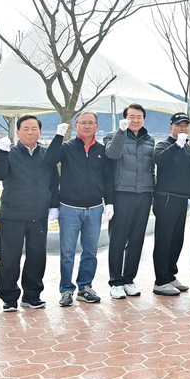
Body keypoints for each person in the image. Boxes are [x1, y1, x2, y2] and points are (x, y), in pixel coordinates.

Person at [0, 115, 62, 312]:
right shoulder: (9, 153)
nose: (30, 132)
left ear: (40, 131)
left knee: (37, 256)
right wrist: (0, 152)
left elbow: (54, 182)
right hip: (12, 214)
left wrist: (53, 206)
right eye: (26, 128)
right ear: (18, 132)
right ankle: (9, 297)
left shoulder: (47, 155)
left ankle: (32, 295)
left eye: (34, 128)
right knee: (9, 258)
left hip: (38, 216)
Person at [55, 111, 114, 307]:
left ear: (97, 126)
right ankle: (66, 290)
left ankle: (85, 286)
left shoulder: (102, 150)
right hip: (69, 208)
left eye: (91, 123)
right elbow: (50, 160)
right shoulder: (66, 147)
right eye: (82, 122)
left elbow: (107, 177)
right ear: (76, 125)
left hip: (95, 208)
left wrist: (109, 202)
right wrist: (58, 136)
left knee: (90, 252)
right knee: (68, 253)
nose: (87, 126)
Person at [104, 103, 155, 299]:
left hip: (144, 194)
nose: (135, 120)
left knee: (136, 239)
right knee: (118, 239)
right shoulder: (113, 136)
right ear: (124, 118)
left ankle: (128, 279)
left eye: (139, 117)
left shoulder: (149, 140)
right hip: (122, 193)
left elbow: (151, 169)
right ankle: (115, 281)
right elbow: (112, 154)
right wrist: (121, 132)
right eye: (131, 116)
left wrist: (153, 190)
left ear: (144, 119)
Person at [151, 112, 190, 296]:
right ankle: (160, 281)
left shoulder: (187, 147)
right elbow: (160, 160)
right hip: (166, 198)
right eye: (179, 125)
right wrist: (176, 145)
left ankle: (170, 275)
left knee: (177, 240)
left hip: (182, 199)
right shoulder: (164, 145)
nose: (182, 128)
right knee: (164, 240)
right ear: (171, 128)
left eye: (185, 125)